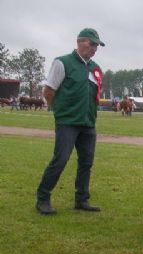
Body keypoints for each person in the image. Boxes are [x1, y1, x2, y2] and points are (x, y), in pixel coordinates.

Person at [35, 28, 105, 214]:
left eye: (97, 45)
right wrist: (58, 112)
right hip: (67, 122)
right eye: (91, 43)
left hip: (88, 123)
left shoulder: (95, 69)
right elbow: (49, 91)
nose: (94, 48)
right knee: (60, 159)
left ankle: (82, 199)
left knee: (86, 162)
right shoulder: (62, 62)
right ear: (79, 42)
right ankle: (43, 198)